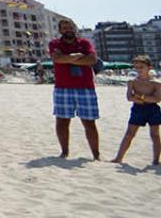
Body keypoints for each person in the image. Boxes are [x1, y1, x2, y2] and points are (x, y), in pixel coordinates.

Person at [49, 19, 101, 160]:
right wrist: (78, 56)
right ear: (60, 30)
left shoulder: (84, 43)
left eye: (70, 27)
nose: (68, 30)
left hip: (85, 88)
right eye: (65, 27)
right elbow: (57, 59)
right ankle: (64, 152)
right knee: (62, 121)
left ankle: (96, 155)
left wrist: (67, 58)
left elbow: (92, 60)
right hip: (63, 87)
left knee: (89, 122)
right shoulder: (55, 43)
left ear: (75, 29)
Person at [109, 55, 161, 165]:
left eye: (141, 67)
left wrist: (140, 97)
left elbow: (157, 99)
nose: (138, 70)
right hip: (138, 109)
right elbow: (129, 97)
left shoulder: (155, 83)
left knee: (155, 135)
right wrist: (142, 99)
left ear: (149, 67)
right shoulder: (132, 82)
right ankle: (119, 157)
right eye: (136, 67)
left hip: (153, 110)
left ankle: (156, 160)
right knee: (129, 134)